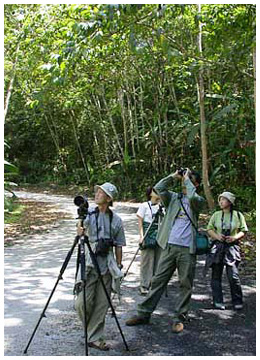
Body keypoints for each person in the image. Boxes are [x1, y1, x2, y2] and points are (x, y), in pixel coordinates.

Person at [126, 168, 205, 333]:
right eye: (185, 178)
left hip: (187, 249)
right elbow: (159, 188)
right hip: (169, 246)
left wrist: (187, 180)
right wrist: (173, 176)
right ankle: (144, 313)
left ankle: (179, 318)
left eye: (190, 179)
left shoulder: (198, 200)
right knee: (157, 281)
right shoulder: (173, 198)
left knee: (185, 283)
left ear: (196, 184)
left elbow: (192, 196)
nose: (185, 180)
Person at [74, 182, 126, 351]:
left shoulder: (116, 220)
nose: (97, 194)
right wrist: (80, 222)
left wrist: (118, 266)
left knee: (102, 304)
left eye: (101, 192)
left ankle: (94, 338)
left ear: (109, 198)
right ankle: (90, 331)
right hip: (89, 263)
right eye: (97, 191)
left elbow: (119, 245)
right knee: (82, 303)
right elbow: (80, 231)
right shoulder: (89, 213)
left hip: (107, 266)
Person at [206, 191, 248, 310]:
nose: (221, 202)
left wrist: (234, 237)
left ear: (230, 202)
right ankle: (217, 301)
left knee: (233, 275)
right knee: (216, 275)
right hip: (218, 246)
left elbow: (243, 230)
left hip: (232, 247)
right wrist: (217, 236)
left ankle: (237, 301)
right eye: (220, 200)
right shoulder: (216, 215)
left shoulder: (238, 215)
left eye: (223, 200)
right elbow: (209, 229)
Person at [137, 187, 162, 295]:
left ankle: (155, 285)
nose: (157, 193)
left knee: (158, 260)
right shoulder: (144, 206)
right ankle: (144, 285)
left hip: (160, 235)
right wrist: (141, 236)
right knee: (147, 261)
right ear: (150, 193)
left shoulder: (162, 206)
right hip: (148, 234)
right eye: (154, 191)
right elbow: (140, 223)